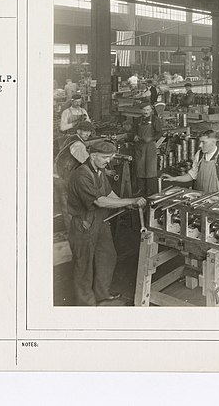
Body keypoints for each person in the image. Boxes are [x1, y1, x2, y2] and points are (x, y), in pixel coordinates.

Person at [66, 141, 147, 306]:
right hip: (84, 224)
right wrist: (129, 200)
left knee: (107, 256)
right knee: (84, 266)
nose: (108, 161)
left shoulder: (99, 170)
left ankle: (101, 294)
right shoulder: (82, 174)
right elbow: (100, 201)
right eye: (105, 157)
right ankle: (86, 304)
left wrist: (126, 203)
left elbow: (108, 192)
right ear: (93, 156)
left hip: (100, 222)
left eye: (110, 157)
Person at [161, 130, 219, 196]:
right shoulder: (199, 154)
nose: (200, 145)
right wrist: (174, 179)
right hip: (199, 198)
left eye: (204, 142)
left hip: (216, 200)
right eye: (200, 142)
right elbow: (192, 175)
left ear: (213, 142)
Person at [54, 122, 96, 232]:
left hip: (60, 174)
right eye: (85, 131)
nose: (88, 134)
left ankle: (73, 232)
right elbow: (87, 163)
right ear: (78, 131)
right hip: (63, 176)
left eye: (89, 131)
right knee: (69, 207)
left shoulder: (71, 138)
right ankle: (73, 235)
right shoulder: (78, 144)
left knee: (68, 206)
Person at [132, 102, 164, 197]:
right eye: (144, 110)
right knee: (140, 168)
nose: (145, 112)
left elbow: (159, 133)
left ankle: (150, 191)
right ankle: (140, 190)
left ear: (151, 110)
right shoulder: (138, 120)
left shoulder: (155, 120)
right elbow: (133, 131)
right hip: (139, 147)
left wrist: (152, 138)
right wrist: (135, 136)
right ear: (141, 110)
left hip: (150, 147)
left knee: (150, 169)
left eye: (147, 110)